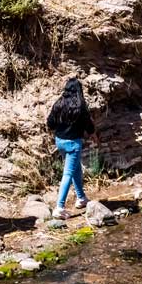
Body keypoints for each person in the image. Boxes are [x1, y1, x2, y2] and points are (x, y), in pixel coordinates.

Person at [46, 78, 96, 218]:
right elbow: (88, 124)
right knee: (68, 173)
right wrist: (93, 134)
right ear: (79, 90)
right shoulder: (80, 106)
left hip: (60, 141)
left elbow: (50, 123)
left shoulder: (59, 103)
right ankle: (59, 207)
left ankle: (81, 198)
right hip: (73, 144)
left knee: (75, 168)